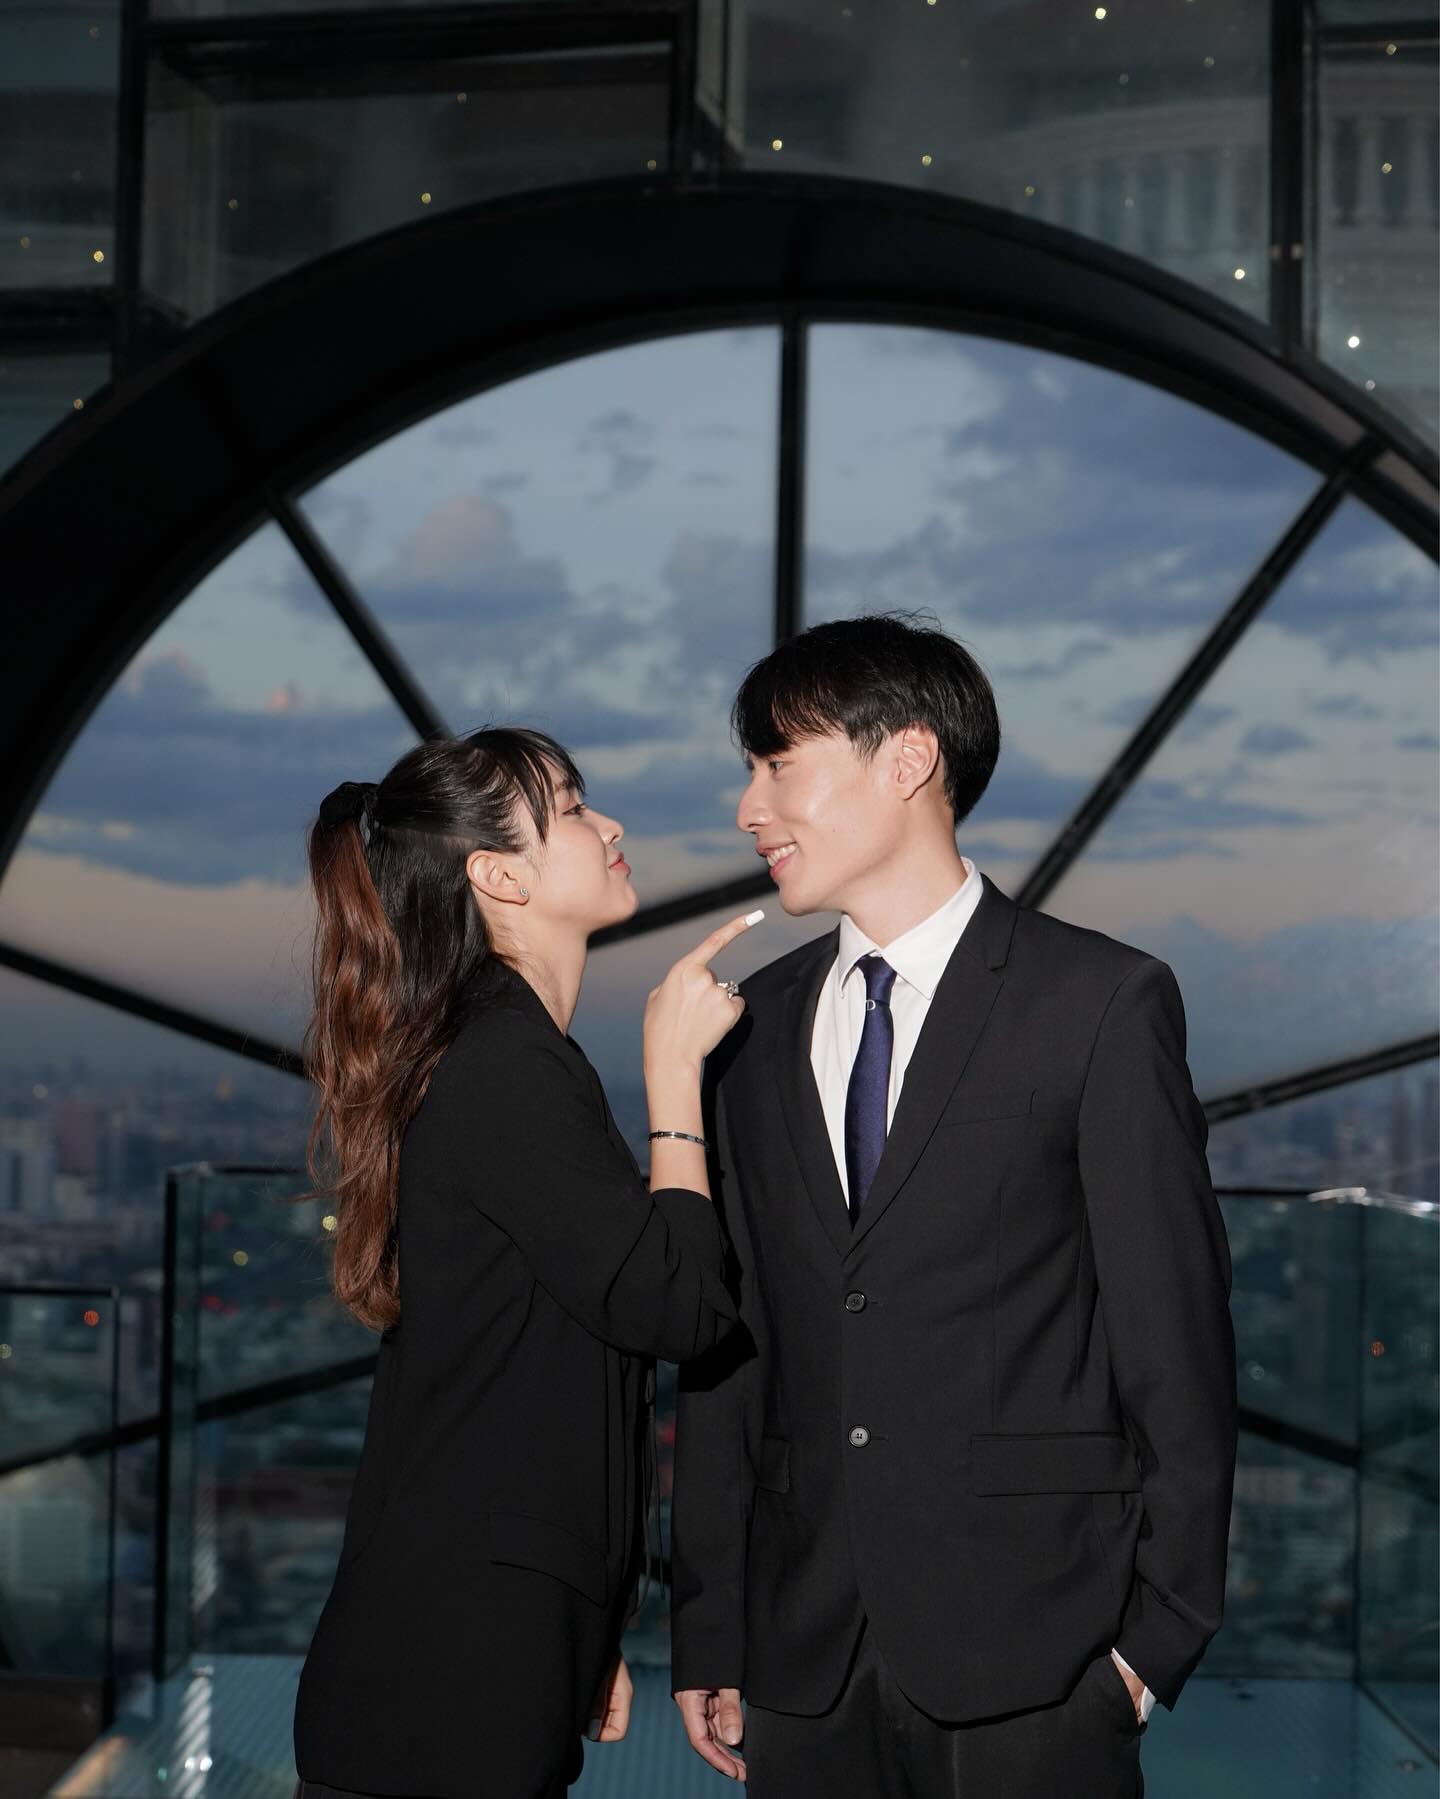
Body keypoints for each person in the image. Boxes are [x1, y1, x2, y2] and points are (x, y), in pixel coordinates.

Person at [669, 616, 1237, 1798]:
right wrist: (711, 1625)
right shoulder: (748, 1029)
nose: (748, 807)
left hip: (1044, 1651)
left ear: (908, 758)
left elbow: (1174, 1338)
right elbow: (732, 1351)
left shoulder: (1098, 1000)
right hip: (803, 1656)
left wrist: (1157, 1639)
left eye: (778, 762)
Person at [291, 726, 760, 1799]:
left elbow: (537, 1363)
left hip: (461, 1647)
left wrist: (580, 1621)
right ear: (499, 877)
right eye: (575, 807)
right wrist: (674, 1075)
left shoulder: (491, 1049)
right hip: (447, 1671)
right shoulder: (506, 1063)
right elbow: (676, 1304)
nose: (611, 824)